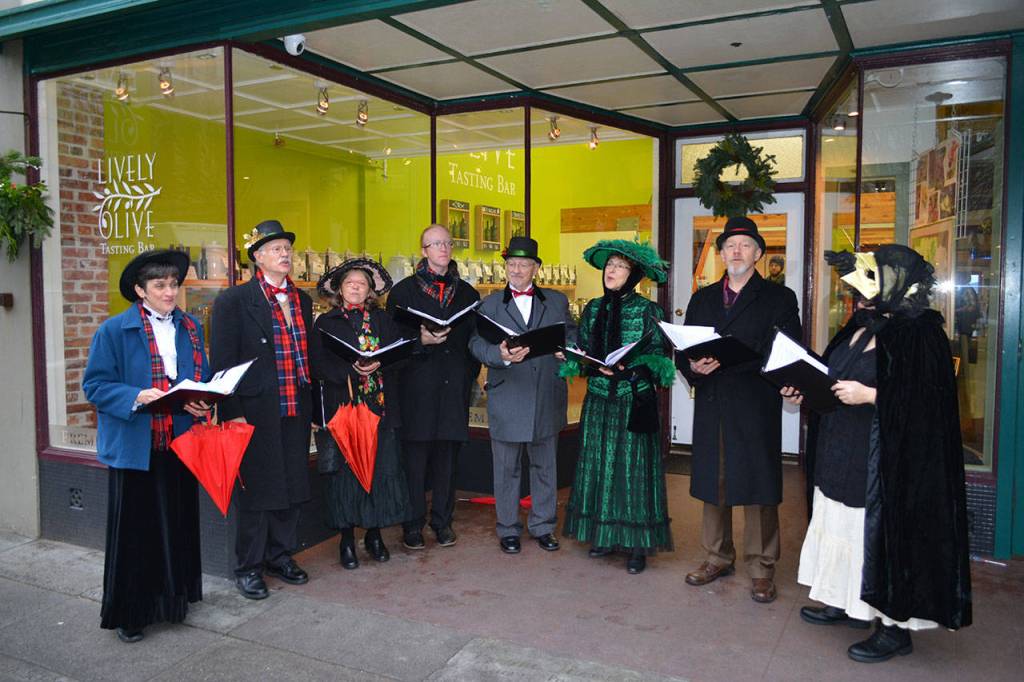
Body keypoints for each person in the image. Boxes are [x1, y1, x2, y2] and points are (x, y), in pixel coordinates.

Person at [785, 245, 972, 663]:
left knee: (874, 533)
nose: (860, 291)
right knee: (838, 522)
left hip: (883, 457)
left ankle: (892, 628)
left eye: (871, 280)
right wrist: (803, 387)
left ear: (897, 280)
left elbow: (931, 404)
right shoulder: (864, 322)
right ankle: (844, 600)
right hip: (840, 447)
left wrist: (872, 395)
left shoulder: (921, 332)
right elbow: (832, 374)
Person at [82, 249, 211, 643]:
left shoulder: (190, 327)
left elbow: (199, 375)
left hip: (180, 442)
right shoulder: (113, 331)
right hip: (135, 444)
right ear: (140, 290)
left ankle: (173, 602)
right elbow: (95, 386)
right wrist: (138, 396)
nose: (170, 292)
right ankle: (131, 613)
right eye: (160, 286)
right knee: (135, 533)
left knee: (177, 524)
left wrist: (200, 398)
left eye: (173, 284)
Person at [681, 216, 801, 603]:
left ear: (759, 253)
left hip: (755, 401)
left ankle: (762, 567)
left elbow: (786, 352)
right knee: (713, 483)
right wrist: (692, 367)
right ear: (720, 254)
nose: (736, 251)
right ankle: (717, 556)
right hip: (714, 400)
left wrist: (734, 361)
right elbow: (686, 348)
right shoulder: (702, 299)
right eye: (729, 245)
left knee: (758, 487)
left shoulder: (779, 299)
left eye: (745, 245)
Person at [210, 219, 313, 600]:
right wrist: (232, 410)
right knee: (256, 492)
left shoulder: (302, 299)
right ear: (257, 257)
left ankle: (280, 555)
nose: (285, 254)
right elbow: (221, 363)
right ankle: (248, 566)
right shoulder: (233, 302)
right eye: (275, 249)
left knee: (291, 485)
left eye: (287, 247)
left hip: (295, 406)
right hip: (253, 411)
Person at [560, 239, 676, 574]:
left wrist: (632, 369)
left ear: (634, 274)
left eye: (620, 266)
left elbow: (659, 356)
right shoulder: (594, 308)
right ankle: (604, 535)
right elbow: (583, 349)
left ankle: (636, 545)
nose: (612, 271)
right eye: (610, 265)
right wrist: (575, 358)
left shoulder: (648, 310)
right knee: (600, 466)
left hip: (631, 399)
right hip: (598, 397)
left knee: (632, 470)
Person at [468, 236, 576, 555]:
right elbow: (474, 345)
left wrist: (567, 351)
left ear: (536, 268)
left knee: (545, 465)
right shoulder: (488, 305)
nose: (516, 270)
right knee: (506, 468)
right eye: (511, 264)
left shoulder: (556, 301)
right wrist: (499, 355)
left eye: (523, 264)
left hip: (546, 394)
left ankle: (543, 526)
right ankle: (508, 529)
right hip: (508, 395)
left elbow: (571, 334)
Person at [309, 259, 411, 569]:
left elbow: (402, 355)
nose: (355, 286)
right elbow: (317, 365)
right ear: (339, 289)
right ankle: (346, 540)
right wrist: (348, 369)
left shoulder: (383, 321)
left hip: (379, 410)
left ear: (370, 291)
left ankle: (375, 534)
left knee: (378, 473)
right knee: (347, 477)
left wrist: (381, 362)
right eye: (349, 282)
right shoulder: (326, 323)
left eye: (362, 283)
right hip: (346, 412)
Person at [386, 224, 481, 550]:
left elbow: (474, 343)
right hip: (416, 389)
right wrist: (419, 340)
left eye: (446, 242)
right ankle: (412, 526)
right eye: (434, 243)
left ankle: (443, 522)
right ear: (423, 250)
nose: (442, 248)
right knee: (413, 464)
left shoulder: (468, 293)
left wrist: (468, 377)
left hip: (453, 387)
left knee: (447, 463)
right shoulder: (402, 292)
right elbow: (391, 344)